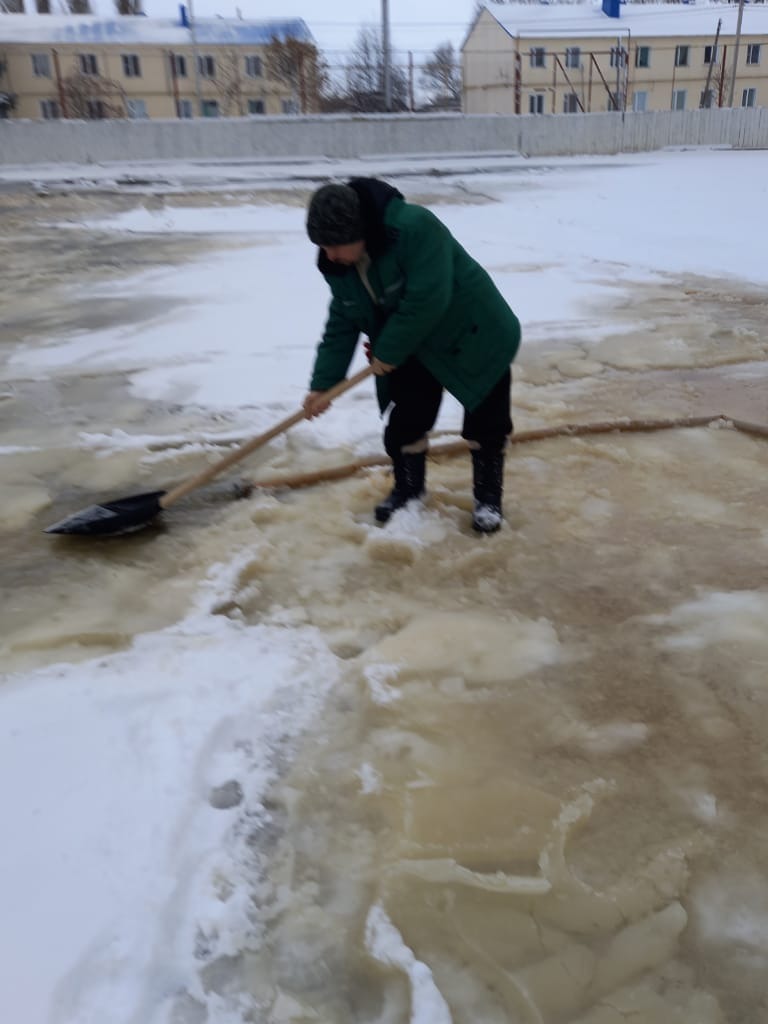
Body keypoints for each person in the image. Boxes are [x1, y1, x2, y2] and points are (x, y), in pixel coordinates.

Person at [302, 178, 521, 533]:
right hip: (411, 343)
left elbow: (428, 299)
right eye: (322, 246)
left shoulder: (415, 228)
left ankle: (488, 500)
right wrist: (322, 384)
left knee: (487, 422)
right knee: (406, 420)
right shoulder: (341, 267)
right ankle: (408, 490)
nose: (328, 255)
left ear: (358, 231)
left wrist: (387, 350)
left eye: (333, 245)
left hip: (476, 333)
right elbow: (342, 320)